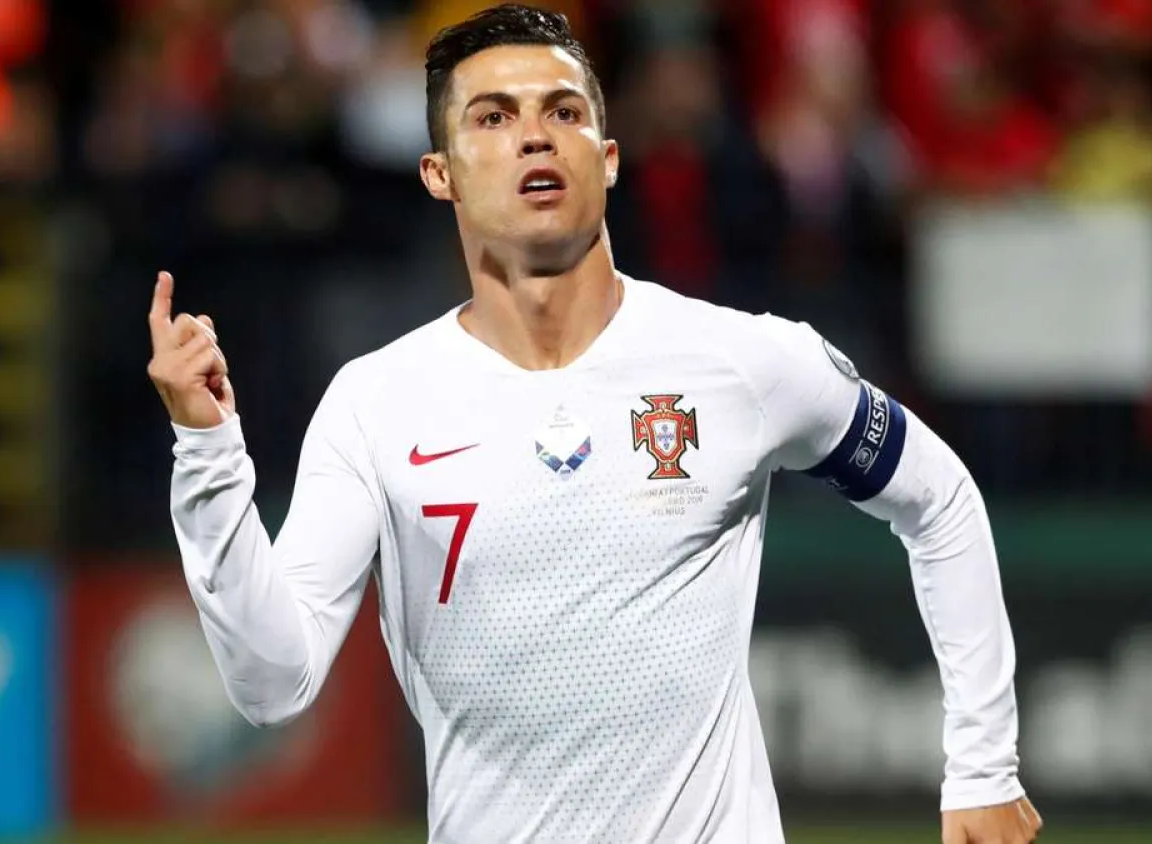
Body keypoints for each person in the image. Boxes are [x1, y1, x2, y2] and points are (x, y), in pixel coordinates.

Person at [146, 5, 1040, 842]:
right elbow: (272, 682)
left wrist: (983, 767)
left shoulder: (743, 364)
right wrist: (209, 452)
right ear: (439, 174)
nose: (534, 133)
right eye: (492, 117)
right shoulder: (378, 402)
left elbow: (940, 501)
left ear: (607, 157)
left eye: (563, 111)